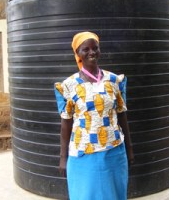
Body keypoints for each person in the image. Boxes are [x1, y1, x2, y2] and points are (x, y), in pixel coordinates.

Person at [54, 31, 134, 200]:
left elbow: (122, 116)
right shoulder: (69, 85)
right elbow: (65, 124)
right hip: (83, 154)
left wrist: (129, 149)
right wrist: (63, 158)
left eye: (95, 48)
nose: (92, 52)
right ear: (78, 53)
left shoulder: (114, 81)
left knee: (114, 194)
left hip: (113, 151)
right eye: (86, 49)